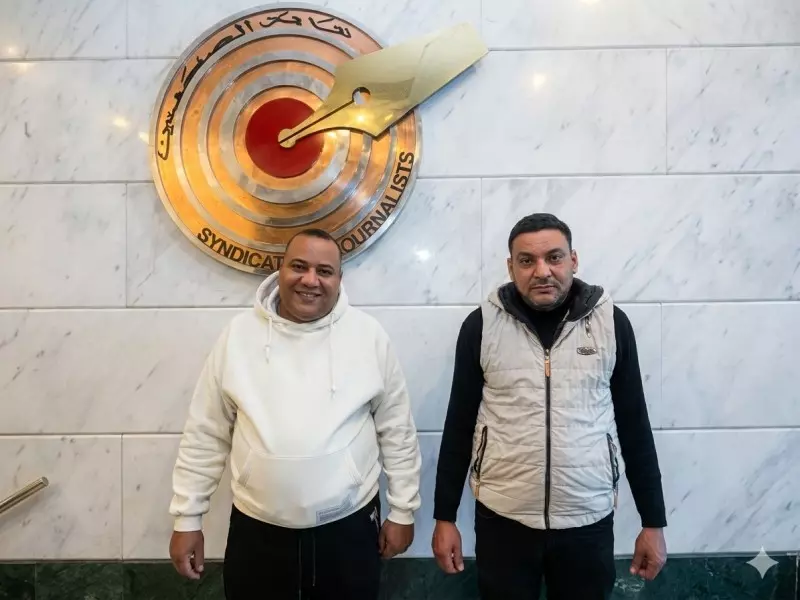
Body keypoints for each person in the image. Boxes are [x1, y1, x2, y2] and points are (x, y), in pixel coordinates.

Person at [168, 228, 422, 600]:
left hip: (348, 528)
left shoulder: (368, 336)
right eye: (299, 267)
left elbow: (397, 431)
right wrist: (187, 517)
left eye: (324, 271)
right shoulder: (238, 336)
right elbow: (206, 432)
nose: (310, 280)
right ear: (280, 269)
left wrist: (403, 511)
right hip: (258, 530)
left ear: (339, 279)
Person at [431, 213, 668, 599]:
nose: (542, 271)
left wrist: (653, 522)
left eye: (554, 257)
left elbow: (635, 425)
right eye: (527, 261)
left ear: (573, 260)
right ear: (511, 267)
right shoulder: (482, 326)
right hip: (503, 519)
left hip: (586, 520)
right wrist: (445, 517)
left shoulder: (610, 323)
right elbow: (459, 425)